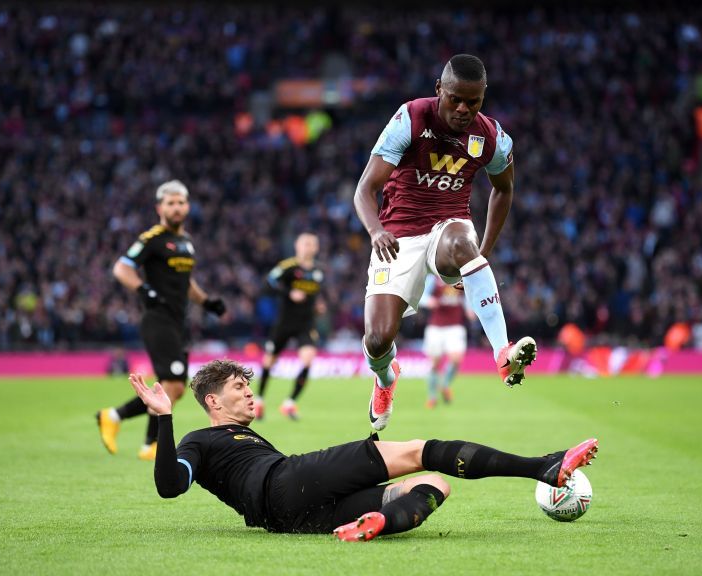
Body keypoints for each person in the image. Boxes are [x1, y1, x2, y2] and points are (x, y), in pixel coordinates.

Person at [129, 358, 598, 541]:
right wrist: (164, 419)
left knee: (433, 484)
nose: (250, 394)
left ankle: (375, 524)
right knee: (418, 450)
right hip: (284, 481)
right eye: (238, 388)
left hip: (288, 519)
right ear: (213, 401)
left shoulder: (244, 439)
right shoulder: (200, 440)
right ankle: (544, 466)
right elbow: (171, 486)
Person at [354, 53, 537, 431]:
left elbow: (504, 189)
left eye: (474, 101)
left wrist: (480, 255)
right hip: (397, 235)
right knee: (376, 339)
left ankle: (502, 352)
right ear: (439, 89)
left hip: (448, 227)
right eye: (455, 98)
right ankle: (386, 379)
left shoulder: (492, 138)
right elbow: (364, 190)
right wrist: (375, 230)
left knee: (460, 240)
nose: (463, 108)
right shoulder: (411, 118)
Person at [96, 180, 226, 460]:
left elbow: (186, 281)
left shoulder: (186, 242)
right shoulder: (153, 238)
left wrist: (207, 301)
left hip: (178, 322)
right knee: (174, 384)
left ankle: (129, 429)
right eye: (170, 203)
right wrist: (143, 289)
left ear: (187, 206)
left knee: (173, 389)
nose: (176, 208)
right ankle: (135, 433)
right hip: (158, 320)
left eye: (180, 203)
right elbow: (122, 267)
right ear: (160, 208)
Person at [254, 232, 325, 421]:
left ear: (316, 248)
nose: (308, 247)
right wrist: (288, 292)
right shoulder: (287, 267)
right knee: (269, 361)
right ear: (297, 246)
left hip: (306, 323)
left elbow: (314, 295)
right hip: (284, 322)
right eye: (305, 243)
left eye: (312, 244)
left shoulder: (318, 271)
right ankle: (259, 400)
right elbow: (267, 284)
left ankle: (289, 403)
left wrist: (318, 305)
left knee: (308, 359)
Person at [420, 274, 474, 408]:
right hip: (436, 327)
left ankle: (444, 385)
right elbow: (421, 297)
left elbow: (466, 296)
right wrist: (429, 301)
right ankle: (432, 397)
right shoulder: (433, 279)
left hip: (455, 326)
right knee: (434, 363)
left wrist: (470, 310)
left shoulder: (461, 279)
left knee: (456, 359)